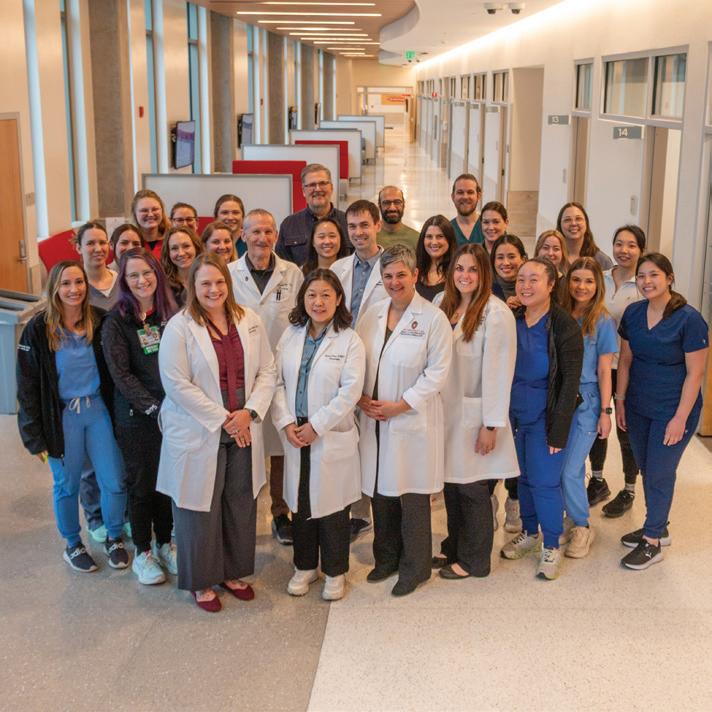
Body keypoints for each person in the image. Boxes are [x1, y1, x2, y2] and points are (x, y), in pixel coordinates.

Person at [156, 253, 276, 611]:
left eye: (220, 281)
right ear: (193, 286)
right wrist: (226, 419)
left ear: (229, 283)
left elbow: (267, 370)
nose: (214, 289)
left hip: (243, 425)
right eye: (205, 283)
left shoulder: (249, 320)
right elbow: (176, 383)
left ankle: (233, 572)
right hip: (200, 428)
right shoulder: (179, 327)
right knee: (199, 507)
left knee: (239, 501)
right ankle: (201, 581)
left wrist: (249, 412)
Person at [17, 261, 128, 573]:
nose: (73, 289)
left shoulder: (100, 320)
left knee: (114, 480)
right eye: (65, 283)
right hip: (63, 417)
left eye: (79, 282)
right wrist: (33, 435)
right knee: (67, 485)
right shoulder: (38, 329)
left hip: (97, 411)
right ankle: (72, 543)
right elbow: (27, 386)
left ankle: (114, 536)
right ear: (55, 287)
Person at [357, 245, 452, 596]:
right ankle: (387, 559)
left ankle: (416, 568)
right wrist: (360, 397)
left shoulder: (433, 319)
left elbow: (437, 372)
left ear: (415, 275)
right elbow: (357, 360)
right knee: (381, 493)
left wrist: (401, 405)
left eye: (401, 275)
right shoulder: (372, 315)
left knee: (412, 497)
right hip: (375, 418)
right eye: (388, 276)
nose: (394, 282)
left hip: (411, 421)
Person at [272, 269, 365, 601]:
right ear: (303, 299)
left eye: (326, 294)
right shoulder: (291, 334)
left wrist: (317, 425)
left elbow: (350, 392)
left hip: (328, 432)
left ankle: (335, 571)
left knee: (333, 507)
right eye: (312, 294)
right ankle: (305, 566)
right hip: (295, 431)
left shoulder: (350, 340)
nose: (318, 301)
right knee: (300, 502)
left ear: (338, 299)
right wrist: (285, 422)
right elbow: (276, 381)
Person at [615, 252, 708, 570]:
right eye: (641, 276)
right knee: (646, 467)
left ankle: (653, 541)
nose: (646, 281)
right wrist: (620, 401)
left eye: (654, 274)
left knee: (659, 471)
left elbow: (696, 373)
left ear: (669, 278)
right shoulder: (633, 313)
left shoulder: (689, 319)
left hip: (673, 409)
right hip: (639, 405)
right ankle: (657, 525)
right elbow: (625, 361)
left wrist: (680, 418)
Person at [431, 244, 518, 579]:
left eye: (472, 270)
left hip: (476, 416)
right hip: (445, 414)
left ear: (484, 274)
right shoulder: (442, 303)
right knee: (452, 486)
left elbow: (499, 373)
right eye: (459, 268)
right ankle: (454, 545)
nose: (464, 276)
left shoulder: (496, 314)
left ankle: (475, 560)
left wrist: (491, 425)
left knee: (473, 489)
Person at [500, 258, 583, 580]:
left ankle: (551, 544)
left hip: (546, 416)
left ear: (551, 285)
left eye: (534, 279)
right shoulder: (512, 318)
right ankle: (530, 532)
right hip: (513, 414)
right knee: (521, 478)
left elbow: (570, 382)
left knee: (544, 481)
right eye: (521, 279)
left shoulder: (564, 325)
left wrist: (558, 431)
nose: (525, 285)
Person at [102, 248, 179, 584]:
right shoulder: (116, 322)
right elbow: (122, 376)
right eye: (133, 275)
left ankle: (164, 544)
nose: (142, 280)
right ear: (124, 281)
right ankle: (143, 552)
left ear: (157, 275)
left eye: (147, 273)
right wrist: (155, 408)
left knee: (166, 483)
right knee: (142, 484)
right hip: (137, 417)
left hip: (171, 414)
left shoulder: (170, 314)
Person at [229, 209, 304, 546]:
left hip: (282, 371)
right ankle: (241, 515)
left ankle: (280, 512)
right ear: (243, 235)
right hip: (242, 374)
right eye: (255, 232)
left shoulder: (292, 273)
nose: (262, 238)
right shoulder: (228, 274)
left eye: (268, 231)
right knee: (245, 446)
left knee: (280, 446)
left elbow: (301, 318)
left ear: (276, 236)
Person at [558, 257, 617, 558]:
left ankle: (582, 526)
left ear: (598, 285)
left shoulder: (602, 321)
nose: (582, 286)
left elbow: (605, 371)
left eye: (589, 281)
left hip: (588, 401)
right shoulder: (559, 314)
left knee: (570, 469)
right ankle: (572, 514)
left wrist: (606, 412)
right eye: (576, 279)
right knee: (567, 466)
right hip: (559, 400)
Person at [588, 225, 645, 514]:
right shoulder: (601, 278)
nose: (624, 250)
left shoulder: (644, 284)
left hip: (629, 367)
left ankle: (629, 488)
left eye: (631, 245)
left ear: (641, 250)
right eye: (619, 243)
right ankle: (597, 480)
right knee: (596, 424)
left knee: (625, 428)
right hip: (598, 364)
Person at [330, 200, 388, 328]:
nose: (358, 232)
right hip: (343, 338)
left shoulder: (394, 268)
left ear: (378, 226)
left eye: (364, 225)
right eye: (352, 226)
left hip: (378, 339)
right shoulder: (336, 269)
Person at [277, 164, 349, 266]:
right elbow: (282, 266)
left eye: (323, 183)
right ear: (303, 191)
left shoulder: (348, 222)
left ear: (331, 188)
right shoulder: (289, 225)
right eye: (312, 185)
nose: (318, 189)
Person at [75, 221, 121, 310]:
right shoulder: (74, 287)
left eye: (102, 242)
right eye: (90, 243)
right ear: (79, 248)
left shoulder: (121, 281)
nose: (98, 249)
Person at [556, 202, 613, 270]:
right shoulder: (552, 257)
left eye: (578, 219)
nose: (573, 223)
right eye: (567, 220)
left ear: (586, 223)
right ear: (560, 225)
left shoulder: (602, 261)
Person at [414, 214, 457, 302]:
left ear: (449, 239)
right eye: (429, 237)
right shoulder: (413, 269)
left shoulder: (458, 271)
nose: (434, 242)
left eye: (440, 236)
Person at [160, 225, 204, 305]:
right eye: (174, 248)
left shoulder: (208, 277)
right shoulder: (162, 284)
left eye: (186, 246)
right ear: (168, 253)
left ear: (196, 247)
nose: (181, 253)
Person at [376, 186, 419, 251]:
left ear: (404, 205)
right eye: (386, 203)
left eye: (397, 202)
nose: (392, 208)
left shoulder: (416, 238)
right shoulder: (370, 236)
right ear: (379, 206)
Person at [131, 189, 170, 258]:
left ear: (162, 211)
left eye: (155, 209)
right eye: (144, 210)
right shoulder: (130, 244)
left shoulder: (171, 240)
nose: (150, 214)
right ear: (135, 214)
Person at [491, 234, 527, 308]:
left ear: (523, 259)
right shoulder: (485, 288)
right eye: (500, 257)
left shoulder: (531, 287)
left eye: (511, 257)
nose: (506, 263)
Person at [450, 174, 483, 246]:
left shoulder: (489, 227)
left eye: (470, 192)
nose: (465, 197)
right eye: (460, 192)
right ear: (453, 197)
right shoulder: (447, 229)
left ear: (478, 196)